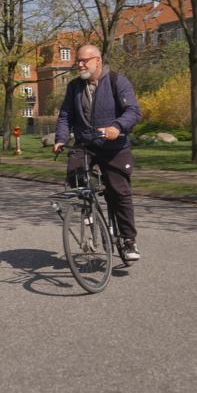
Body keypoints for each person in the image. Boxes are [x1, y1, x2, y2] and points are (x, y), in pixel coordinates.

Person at [53, 44, 143, 260]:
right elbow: (66, 116)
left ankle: (129, 240)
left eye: (84, 60)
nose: (80, 64)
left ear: (98, 60)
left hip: (114, 147)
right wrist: (60, 138)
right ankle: (89, 212)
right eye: (78, 61)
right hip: (86, 143)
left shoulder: (116, 81)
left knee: (119, 192)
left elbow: (133, 111)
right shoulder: (74, 86)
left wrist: (117, 128)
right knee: (74, 172)